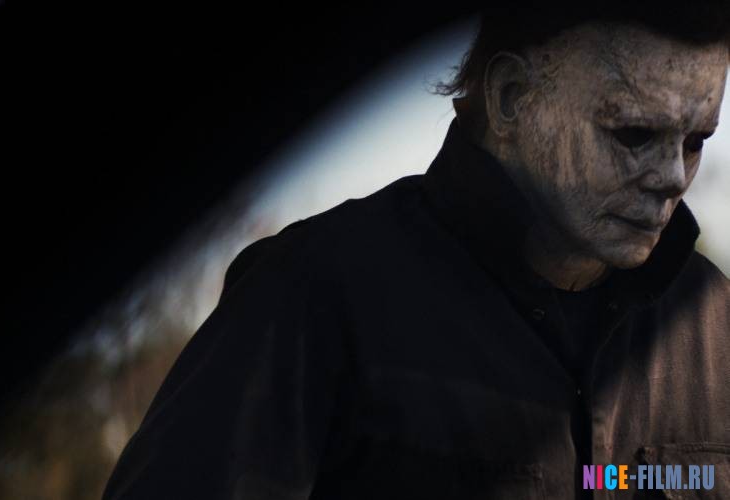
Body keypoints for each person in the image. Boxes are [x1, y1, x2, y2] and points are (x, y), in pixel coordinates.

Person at [102, 3, 730, 499]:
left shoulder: (716, 326)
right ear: (512, 97)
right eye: (634, 133)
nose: (674, 176)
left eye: (696, 140)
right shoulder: (311, 296)